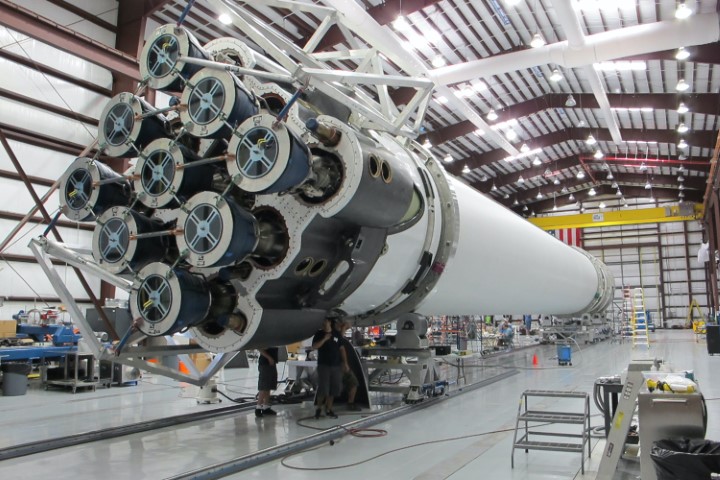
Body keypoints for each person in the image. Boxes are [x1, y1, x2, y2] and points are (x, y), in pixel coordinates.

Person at [312, 318, 343, 419]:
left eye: (325, 321)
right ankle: (319, 408)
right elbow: (315, 346)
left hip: (335, 365)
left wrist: (345, 363)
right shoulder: (319, 334)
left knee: (333, 389)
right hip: (324, 365)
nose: (323, 323)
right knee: (323, 388)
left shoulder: (336, 334)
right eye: (323, 321)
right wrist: (324, 339)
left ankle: (329, 408)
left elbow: (341, 348)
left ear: (329, 322)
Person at [336, 320, 361, 411]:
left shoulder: (340, 338)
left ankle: (350, 402)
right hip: (337, 365)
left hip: (343, 366)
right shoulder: (335, 336)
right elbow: (340, 341)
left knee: (353, 383)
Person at [256, 347, 279, 417]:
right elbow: (259, 348)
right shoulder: (265, 338)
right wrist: (269, 357)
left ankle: (266, 407)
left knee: (269, 386)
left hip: (271, 363)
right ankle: (258, 408)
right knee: (264, 386)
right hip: (265, 364)